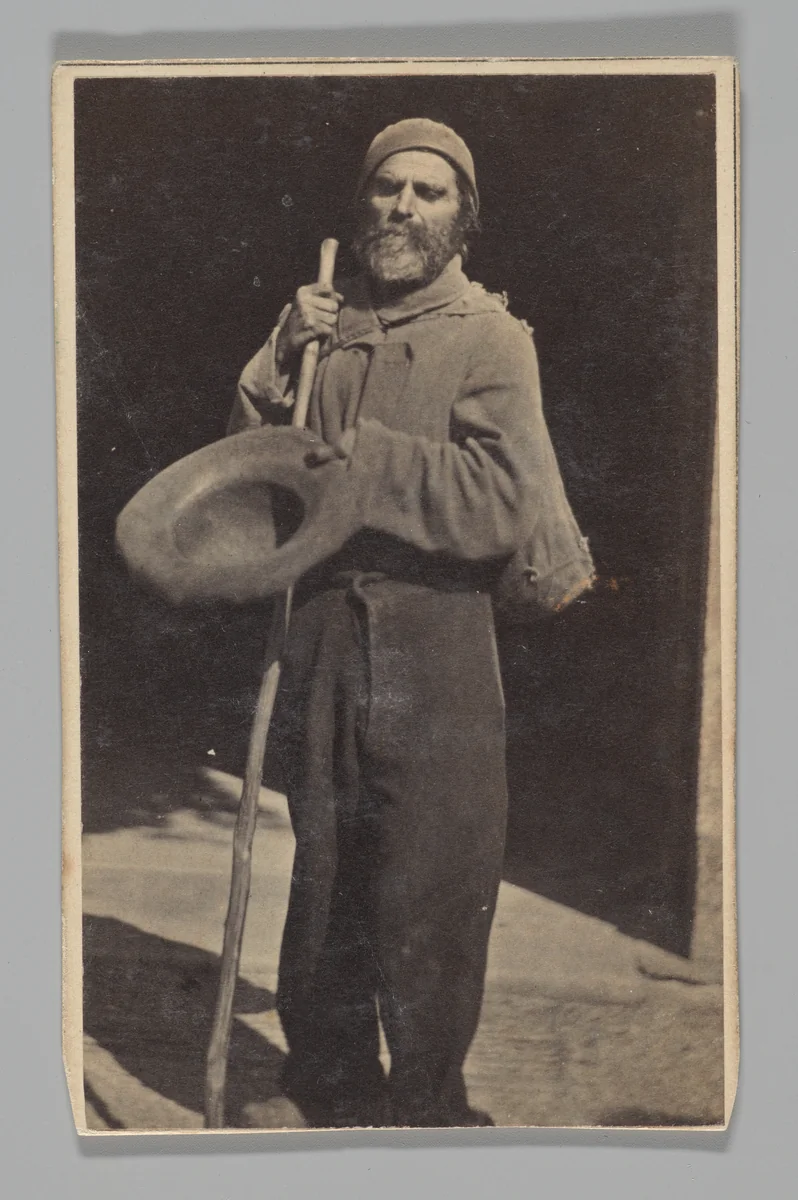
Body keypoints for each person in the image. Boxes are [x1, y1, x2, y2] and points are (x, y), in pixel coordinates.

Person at [226, 119, 589, 1128]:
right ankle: (324, 1085)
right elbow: (245, 478)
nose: (404, 208)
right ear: (363, 203)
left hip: (439, 636)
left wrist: (362, 465)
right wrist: (274, 366)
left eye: (431, 193)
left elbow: (504, 500)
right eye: (389, 188)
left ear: (464, 218)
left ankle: (427, 1107)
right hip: (327, 633)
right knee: (329, 868)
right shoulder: (321, 326)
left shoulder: (490, 338)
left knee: (433, 885)